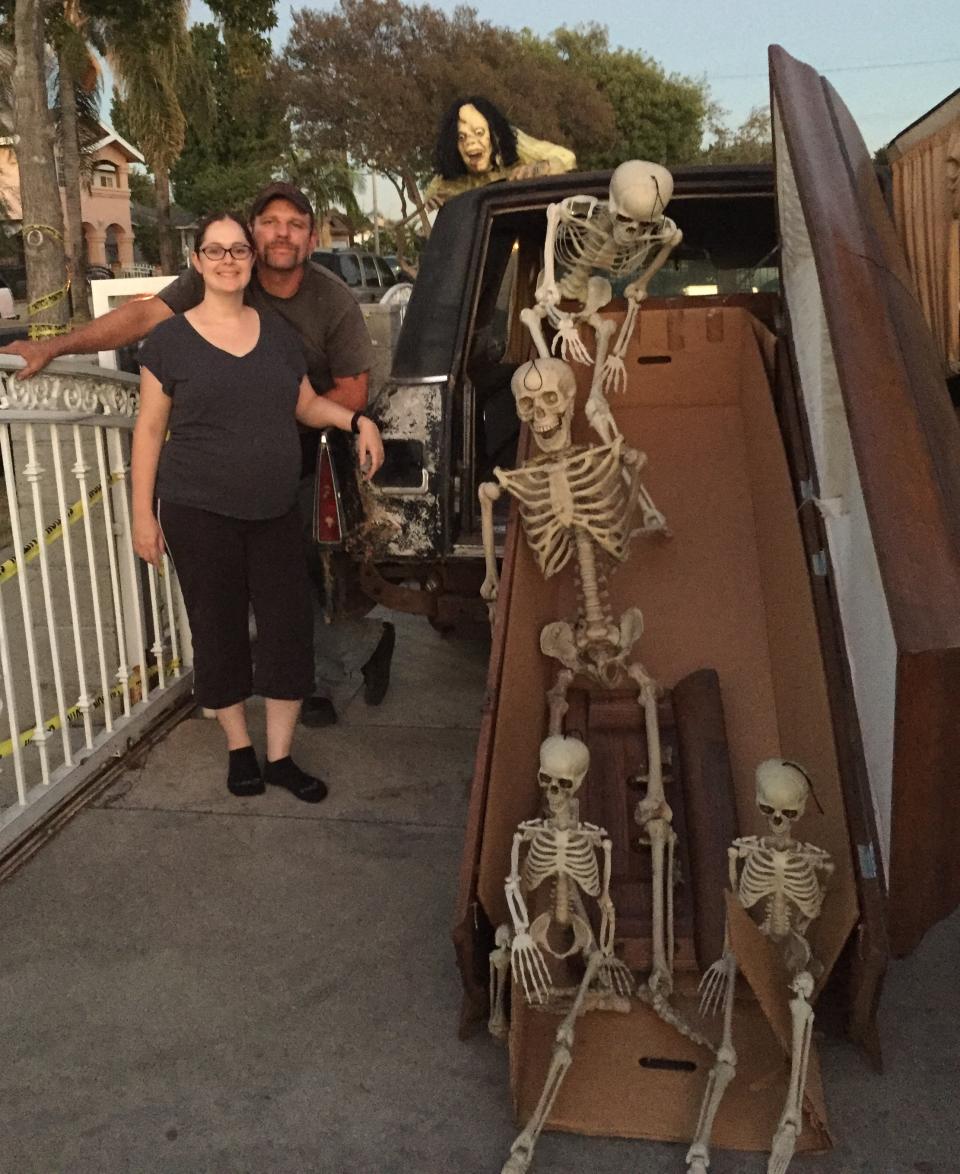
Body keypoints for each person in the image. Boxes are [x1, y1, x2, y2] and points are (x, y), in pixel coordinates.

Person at [0, 181, 396, 727]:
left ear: (308, 238)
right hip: (231, 461)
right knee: (246, 587)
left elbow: (351, 392)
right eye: (270, 222)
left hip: (308, 452)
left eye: (296, 223)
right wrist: (52, 346)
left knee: (299, 577)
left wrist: (260, 419)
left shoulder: (332, 300)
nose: (282, 233)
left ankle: (332, 668)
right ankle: (301, 673)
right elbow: (142, 318)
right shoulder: (223, 272)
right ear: (252, 237)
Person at [132, 211, 384, 802]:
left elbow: (305, 406)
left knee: (287, 631)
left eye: (237, 251)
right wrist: (143, 516)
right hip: (196, 510)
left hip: (273, 511)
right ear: (196, 262)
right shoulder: (168, 341)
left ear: (250, 260)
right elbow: (148, 432)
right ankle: (239, 749)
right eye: (214, 252)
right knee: (217, 629)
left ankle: (280, 758)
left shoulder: (276, 336)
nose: (227, 261)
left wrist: (356, 419)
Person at [422, 96, 577, 210]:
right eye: (461, 137)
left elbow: (567, 158)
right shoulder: (451, 177)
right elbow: (431, 196)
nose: (470, 142)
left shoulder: (516, 146)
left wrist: (541, 168)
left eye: (479, 132)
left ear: (494, 134)